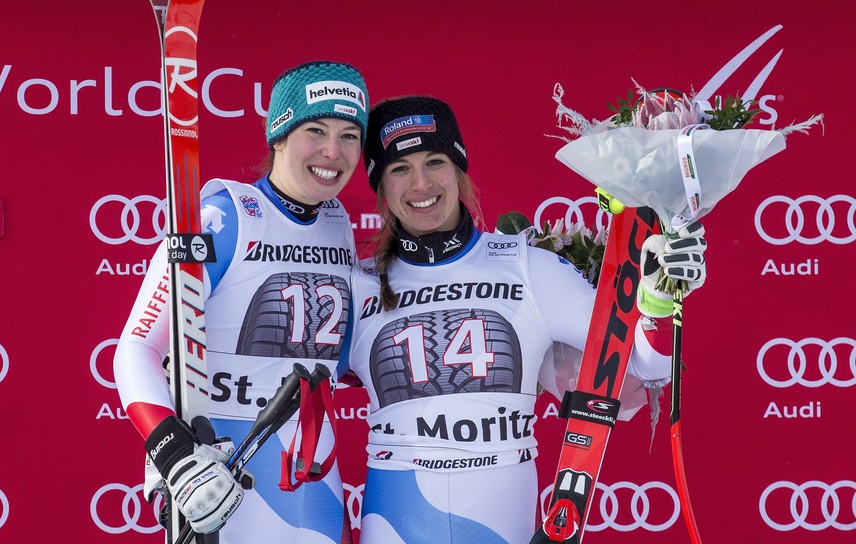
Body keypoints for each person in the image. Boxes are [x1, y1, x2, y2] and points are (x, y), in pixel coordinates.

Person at [347, 96, 707, 544]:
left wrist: (655, 297)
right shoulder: (355, 287)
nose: (421, 183)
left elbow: (646, 366)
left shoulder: (527, 267)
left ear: (459, 170)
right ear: (380, 186)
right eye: (399, 168)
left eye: (435, 161)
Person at [113, 60, 369, 544]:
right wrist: (173, 456)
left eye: (350, 135)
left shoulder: (337, 223)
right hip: (222, 467)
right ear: (279, 133)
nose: (333, 152)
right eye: (315, 130)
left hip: (310, 474)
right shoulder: (224, 217)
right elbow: (136, 349)